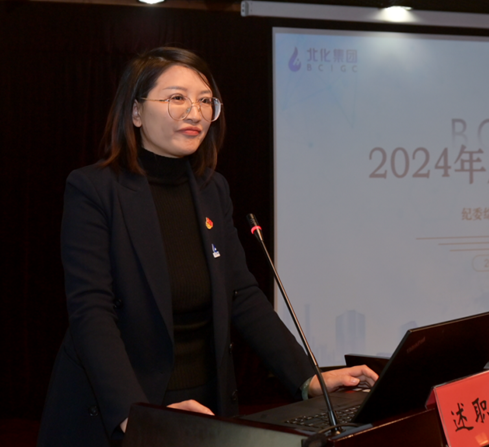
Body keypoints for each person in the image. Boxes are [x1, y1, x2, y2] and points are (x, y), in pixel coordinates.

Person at [37, 47, 377, 446]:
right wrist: (136, 413)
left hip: (206, 406)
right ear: (135, 112)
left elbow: (241, 294)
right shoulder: (94, 190)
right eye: (177, 98)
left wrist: (307, 377)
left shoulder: (212, 188)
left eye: (204, 101)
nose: (194, 113)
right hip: (122, 406)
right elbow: (91, 312)